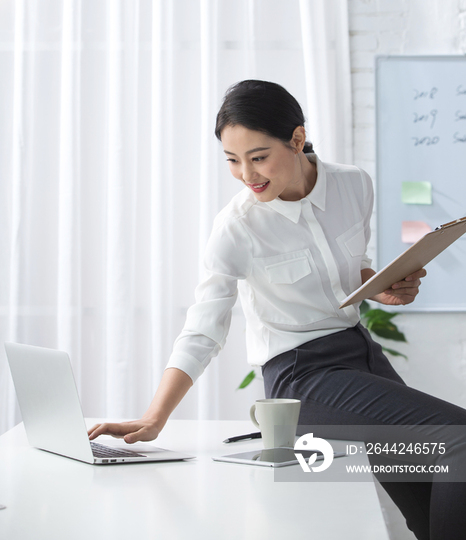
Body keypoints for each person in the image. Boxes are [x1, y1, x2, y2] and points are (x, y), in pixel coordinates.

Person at [89, 80, 466, 540]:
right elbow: (204, 327)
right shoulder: (237, 227)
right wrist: (154, 416)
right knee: (457, 438)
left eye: (258, 156)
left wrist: (380, 288)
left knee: (431, 492)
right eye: (232, 160)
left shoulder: (353, 185)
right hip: (302, 377)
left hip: (361, 359)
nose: (247, 174)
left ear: (297, 139)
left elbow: (344, 269)